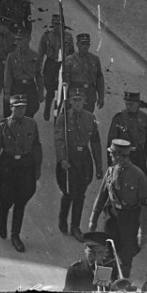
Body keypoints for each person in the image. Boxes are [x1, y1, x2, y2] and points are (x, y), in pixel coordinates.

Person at [88, 139, 147, 279]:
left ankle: (122, 286)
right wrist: (93, 218)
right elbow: (102, 195)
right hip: (111, 218)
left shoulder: (139, 176)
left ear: (119, 155)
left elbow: (146, 206)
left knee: (125, 258)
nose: (110, 156)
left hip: (130, 220)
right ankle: (103, 287)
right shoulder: (111, 171)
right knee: (105, 255)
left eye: (112, 154)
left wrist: (143, 233)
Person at [0, 94, 43, 253]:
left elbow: (36, 146)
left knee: (21, 201)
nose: (20, 110)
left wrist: (37, 167)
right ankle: (2, 220)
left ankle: (15, 235)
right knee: (5, 199)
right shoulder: (2, 126)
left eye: (23, 107)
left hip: (25, 165)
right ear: (11, 108)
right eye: (17, 107)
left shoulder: (31, 124)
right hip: (7, 164)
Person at [54, 88, 103, 240]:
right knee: (69, 193)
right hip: (69, 158)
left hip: (84, 159)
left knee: (80, 195)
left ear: (84, 102)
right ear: (69, 102)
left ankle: (75, 226)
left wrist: (99, 165)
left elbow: (95, 142)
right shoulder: (63, 119)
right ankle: (63, 219)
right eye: (74, 100)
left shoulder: (90, 118)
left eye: (80, 100)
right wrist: (62, 159)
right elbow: (59, 139)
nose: (77, 103)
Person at [108, 91, 147, 178]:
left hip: (139, 156)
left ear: (138, 104)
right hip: (124, 155)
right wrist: (111, 165)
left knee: (143, 183)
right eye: (127, 104)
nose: (128, 107)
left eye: (131, 104)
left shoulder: (144, 118)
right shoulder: (119, 118)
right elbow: (111, 143)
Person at [37, 14, 75, 121]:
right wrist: (38, 68)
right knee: (50, 89)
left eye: (59, 24)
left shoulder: (68, 37)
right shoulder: (47, 36)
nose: (57, 26)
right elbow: (41, 53)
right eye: (55, 24)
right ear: (52, 24)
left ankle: (57, 113)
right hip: (50, 64)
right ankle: (47, 107)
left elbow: (72, 54)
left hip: (62, 64)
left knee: (61, 90)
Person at [3, 29, 42, 118]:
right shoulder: (11, 56)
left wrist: (41, 92)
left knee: (31, 110)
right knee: (13, 112)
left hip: (30, 87)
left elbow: (39, 75)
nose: (17, 42)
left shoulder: (34, 56)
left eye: (20, 40)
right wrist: (7, 92)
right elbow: (7, 75)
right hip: (16, 87)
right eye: (17, 40)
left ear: (28, 40)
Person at [64, 32, 106, 112]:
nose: (85, 46)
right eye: (82, 44)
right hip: (75, 91)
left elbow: (99, 78)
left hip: (89, 92)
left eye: (87, 44)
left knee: (87, 117)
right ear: (77, 44)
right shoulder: (70, 59)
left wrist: (101, 97)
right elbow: (66, 80)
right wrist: (65, 97)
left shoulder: (95, 59)